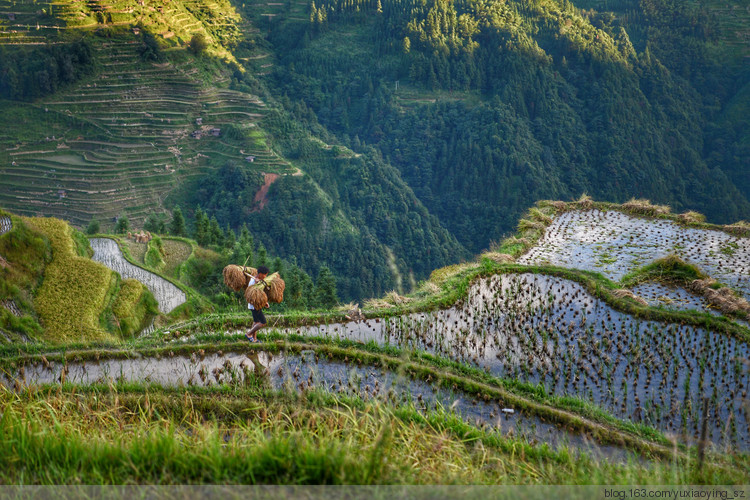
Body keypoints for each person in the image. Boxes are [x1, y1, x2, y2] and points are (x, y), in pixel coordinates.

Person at [245, 265, 269, 342]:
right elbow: (253, 295)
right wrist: (256, 284)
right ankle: (249, 334)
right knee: (263, 322)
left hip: (254, 305)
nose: (265, 276)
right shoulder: (253, 281)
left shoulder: (257, 281)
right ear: (261, 274)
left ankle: (254, 339)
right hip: (254, 305)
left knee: (256, 322)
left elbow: (259, 294)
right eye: (265, 274)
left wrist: (265, 302)